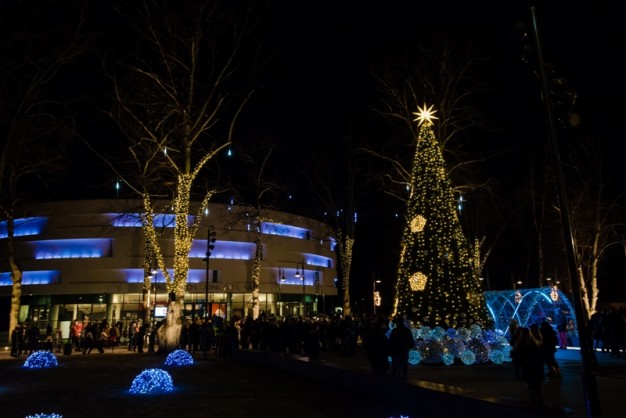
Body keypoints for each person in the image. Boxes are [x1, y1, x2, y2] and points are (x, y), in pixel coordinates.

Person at [516, 326, 544, 404]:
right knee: (537, 385)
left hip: (527, 367)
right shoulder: (535, 342)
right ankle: (539, 400)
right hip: (536, 366)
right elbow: (540, 355)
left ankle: (532, 399)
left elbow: (519, 355)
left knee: (530, 384)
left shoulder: (520, 343)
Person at [388, 316, 415, 381]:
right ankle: (403, 378)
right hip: (403, 350)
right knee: (403, 366)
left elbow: (391, 341)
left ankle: (395, 378)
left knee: (395, 365)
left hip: (396, 350)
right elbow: (411, 342)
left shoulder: (395, 331)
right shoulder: (407, 331)